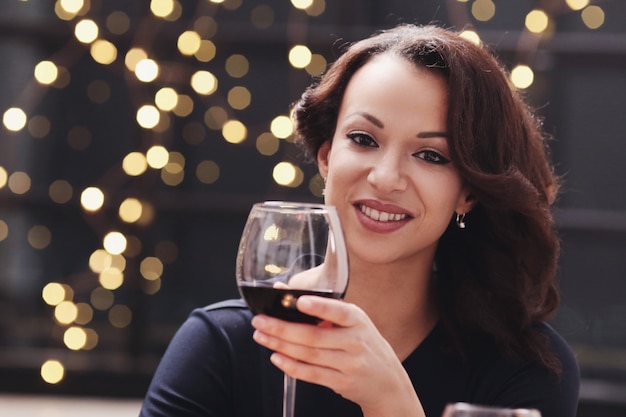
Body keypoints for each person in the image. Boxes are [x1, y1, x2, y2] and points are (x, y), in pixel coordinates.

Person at [139, 24, 580, 417]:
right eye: (363, 139)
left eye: (430, 155)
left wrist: (392, 403)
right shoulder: (221, 347)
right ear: (327, 156)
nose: (386, 178)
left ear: (468, 191)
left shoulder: (523, 368)